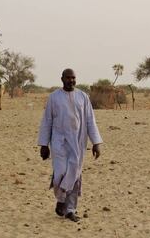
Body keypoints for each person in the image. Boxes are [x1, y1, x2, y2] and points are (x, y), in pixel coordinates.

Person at [38, 68, 103, 222]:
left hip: (78, 141)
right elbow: (47, 121)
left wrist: (96, 142)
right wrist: (44, 144)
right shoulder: (54, 97)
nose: (71, 81)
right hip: (59, 141)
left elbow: (90, 120)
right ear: (62, 79)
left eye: (73, 78)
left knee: (75, 175)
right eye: (68, 78)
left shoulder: (83, 97)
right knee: (60, 172)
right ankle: (61, 199)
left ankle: (70, 210)